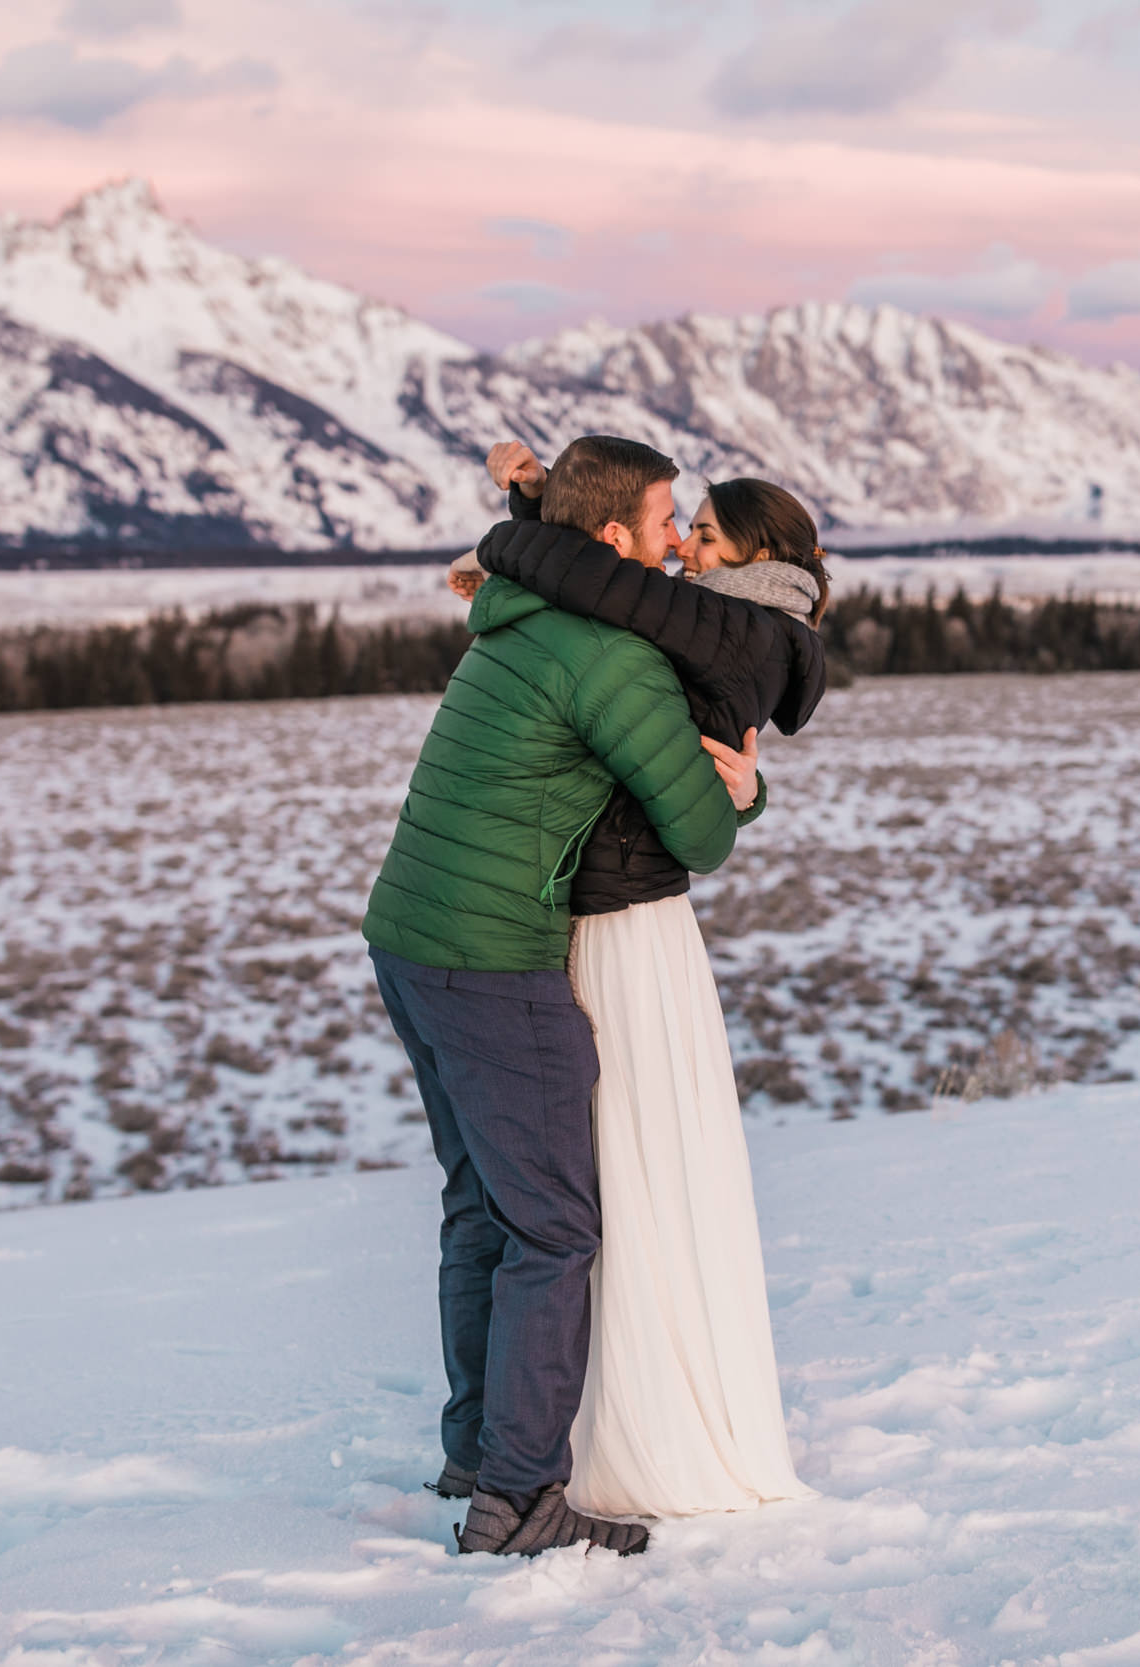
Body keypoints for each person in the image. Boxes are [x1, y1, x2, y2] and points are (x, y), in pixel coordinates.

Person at [361, 435, 762, 1558]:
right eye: (666, 520)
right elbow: (697, 830)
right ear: (610, 541)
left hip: (407, 935)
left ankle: (474, 1449)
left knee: (480, 1201)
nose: (680, 539)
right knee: (554, 1226)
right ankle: (521, 1498)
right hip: (493, 957)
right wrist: (750, 788)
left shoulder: (515, 615)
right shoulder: (610, 656)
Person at [449, 441, 831, 1520]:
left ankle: (595, 1434)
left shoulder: (739, 623)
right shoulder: (719, 612)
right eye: (683, 525)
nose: (683, 547)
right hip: (605, 909)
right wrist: (538, 500)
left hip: (626, 917)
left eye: (702, 533)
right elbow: (605, 559)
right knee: (592, 1175)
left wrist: (514, 527)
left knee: (603, 1172)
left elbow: (597, 570)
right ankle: (536, 1438)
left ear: (754, 555)